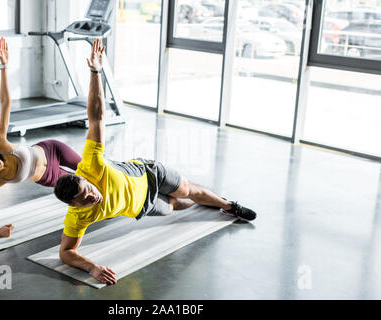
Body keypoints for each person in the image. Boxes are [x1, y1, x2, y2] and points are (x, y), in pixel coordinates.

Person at [53, 39, 257, 285]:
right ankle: (199, 202)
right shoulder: (77, 218)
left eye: (89, 189)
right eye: (84, 199)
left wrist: (95, 72)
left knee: (189, 189)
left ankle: (229, 205)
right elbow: (66, 253)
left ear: (85, 179)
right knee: (174, 205)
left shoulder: (91, 165)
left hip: (150, 173)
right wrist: (92, 268)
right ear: (74, 205)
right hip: (143, 206)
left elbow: (96, 117)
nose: (92, 196)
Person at [0, 38, 82, 238]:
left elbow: (5, 103)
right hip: (47, 177)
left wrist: (3, 66)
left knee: (91, 168)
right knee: (82, 187)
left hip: (51, 149)